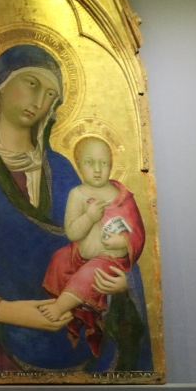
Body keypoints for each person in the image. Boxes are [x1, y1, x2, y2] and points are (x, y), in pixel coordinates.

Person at [0, 44, 151, 374]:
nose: (39, 101)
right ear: (0, 85)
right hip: (1, 346)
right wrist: (5, 311)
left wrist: (121, 285)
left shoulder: (62, 171)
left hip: (76, 338)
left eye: (51, 95)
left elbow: (103, 244)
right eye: (32, 83)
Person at [39, 137, 146, 356]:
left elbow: (138, 233)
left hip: (110, 259)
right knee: (59, 258)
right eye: (90, 163)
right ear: (79, 166)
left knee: (91, 272)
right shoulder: (77, 194)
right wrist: (89, 217)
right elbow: (73, 233)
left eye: (104, 163)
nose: (97, 169)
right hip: (79, 253)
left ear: (111, 164)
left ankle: (60, 307)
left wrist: (122, 241)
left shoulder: (123, 197)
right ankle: (71, 313)